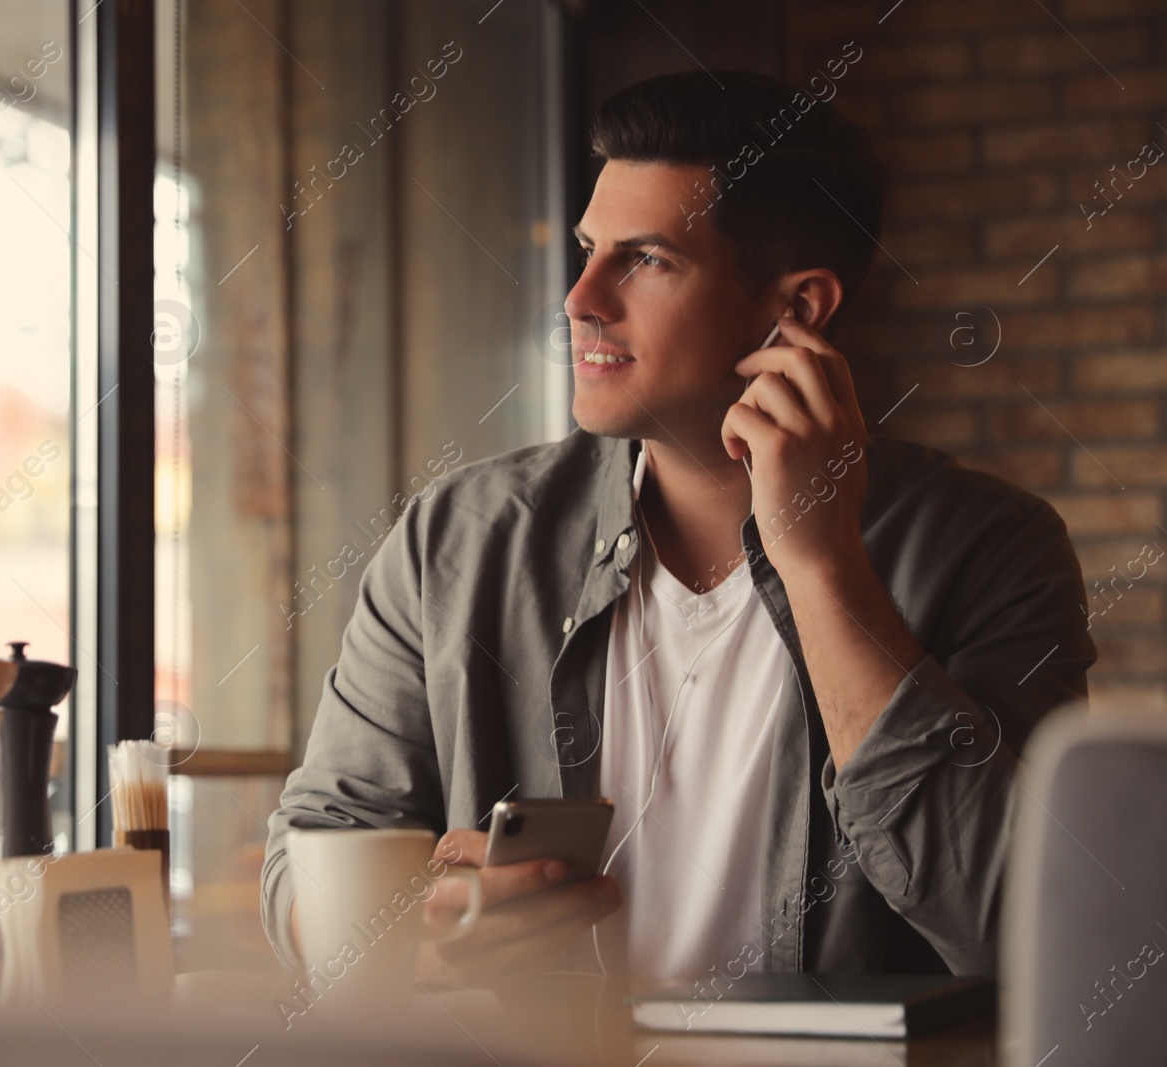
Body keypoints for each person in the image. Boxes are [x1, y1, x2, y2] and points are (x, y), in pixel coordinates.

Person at [261, 68, 1093, 987]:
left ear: (798, 310)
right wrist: (409, 930)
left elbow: (1016, 926)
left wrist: (821, 566)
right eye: (586, 249)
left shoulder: (994, 550)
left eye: (645, 259)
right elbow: (313, 861)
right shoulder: (455, 541)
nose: (579, 298)